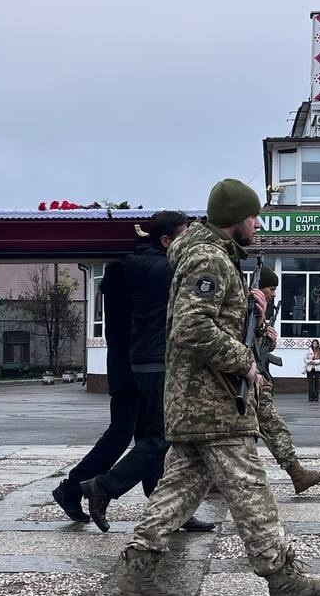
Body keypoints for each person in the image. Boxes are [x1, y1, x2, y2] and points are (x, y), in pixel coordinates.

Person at [114, 178, 320, 596]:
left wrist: (249, 313)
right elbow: (192, 326)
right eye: (253, 216)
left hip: (197, 400)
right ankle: (283, 578)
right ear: (236, 219)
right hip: (213, 402)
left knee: (178, 489)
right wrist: (244, 360)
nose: (257, 223)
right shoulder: (209, 259)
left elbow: (209, 320)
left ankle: (136, 575)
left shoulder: (212, 256)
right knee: (250, 488)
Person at [77, 211, 217, 531]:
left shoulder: (141, 264)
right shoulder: (164, 269)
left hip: (144, 360)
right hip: (156, 362)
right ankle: (103, 488)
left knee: (149, 439)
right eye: (184, 236)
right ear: (167, 241)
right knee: (161, 438)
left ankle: (167, 510)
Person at [52, 259, 137, 523]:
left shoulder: (116, 276)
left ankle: (73, 487)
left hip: (128, 366)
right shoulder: (125, 278)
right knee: (130, 436)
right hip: (132, 367)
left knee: (138, 437)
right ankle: (73, 487)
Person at [245, 265, 320, 494]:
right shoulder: (247, 311)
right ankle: (297, 473)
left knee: (235, 433)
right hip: (250, 381)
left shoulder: (258, 312)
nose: (274, 294)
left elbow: (256, 344)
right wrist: (252, 367)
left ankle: (215, 481)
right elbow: (242, 344)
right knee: (272, 425)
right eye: (270, 288)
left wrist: (268, 337)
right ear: (258, 288)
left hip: (252, 377)